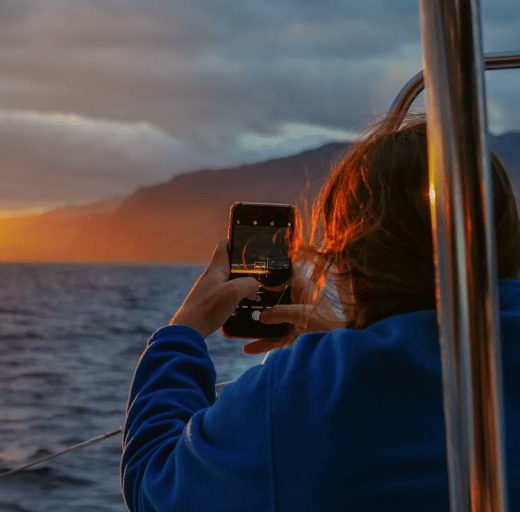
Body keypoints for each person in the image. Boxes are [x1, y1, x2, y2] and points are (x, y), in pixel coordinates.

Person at [120, 114, 520, 511]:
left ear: (350, 259)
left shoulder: (302, 397)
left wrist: (183, 331)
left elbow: (155, 486)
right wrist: (342, 337)